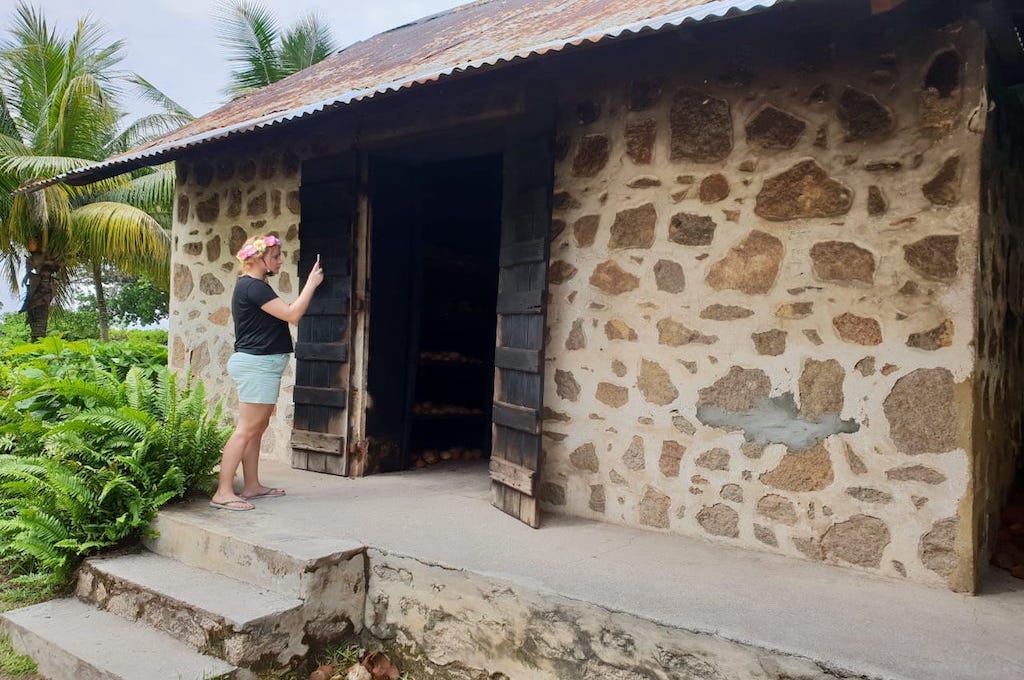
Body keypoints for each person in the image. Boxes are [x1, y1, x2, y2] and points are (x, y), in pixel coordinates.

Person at [209, 234, 324, 511]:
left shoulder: (253, 285)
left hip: (261, 365)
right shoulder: (254, 287)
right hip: (257, 365)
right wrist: (311, 283)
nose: (280, 260)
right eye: (275, 256)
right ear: (259, 259)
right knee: (246, 430)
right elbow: (292, 314)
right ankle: (223, 492)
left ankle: (251, 486)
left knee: (257, 429)